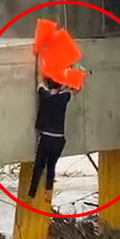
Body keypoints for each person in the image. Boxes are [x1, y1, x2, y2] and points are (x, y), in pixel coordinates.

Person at [27, 71, 76, 201]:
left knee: (38, 167)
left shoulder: (45, 96)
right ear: (60, 86)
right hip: (59, 139)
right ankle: (48, 192)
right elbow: (74, 89)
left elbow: (39, 83)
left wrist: (40, 70)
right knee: (51, 166)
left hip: (46, 138)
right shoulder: (64, 98)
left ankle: (32, 195)